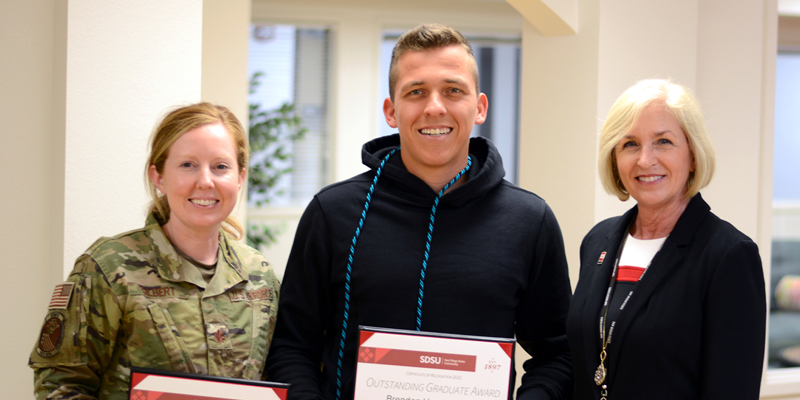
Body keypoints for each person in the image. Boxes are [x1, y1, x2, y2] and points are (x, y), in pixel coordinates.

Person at [265, 24, 573, 400]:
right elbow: (293, 347)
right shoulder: (332, 213)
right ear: (391, 111)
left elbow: (557, 355)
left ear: (479, 107)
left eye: (453, 90)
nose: (434, 107)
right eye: (416, 92)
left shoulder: (529, 220)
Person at [29, 103, 280, 399]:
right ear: (158, 176)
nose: (205, 181)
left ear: (239, 178)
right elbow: (59, 387)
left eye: (221, 166)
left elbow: (280, 373)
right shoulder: (109, 267)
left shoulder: (259, 275)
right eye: (187, 165)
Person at [566, 79, 766, 399]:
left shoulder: (728, 256)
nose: (645, 160)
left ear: (693, 156)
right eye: (630, 144)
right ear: (615, 160)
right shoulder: (597, 241)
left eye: (663, 142)